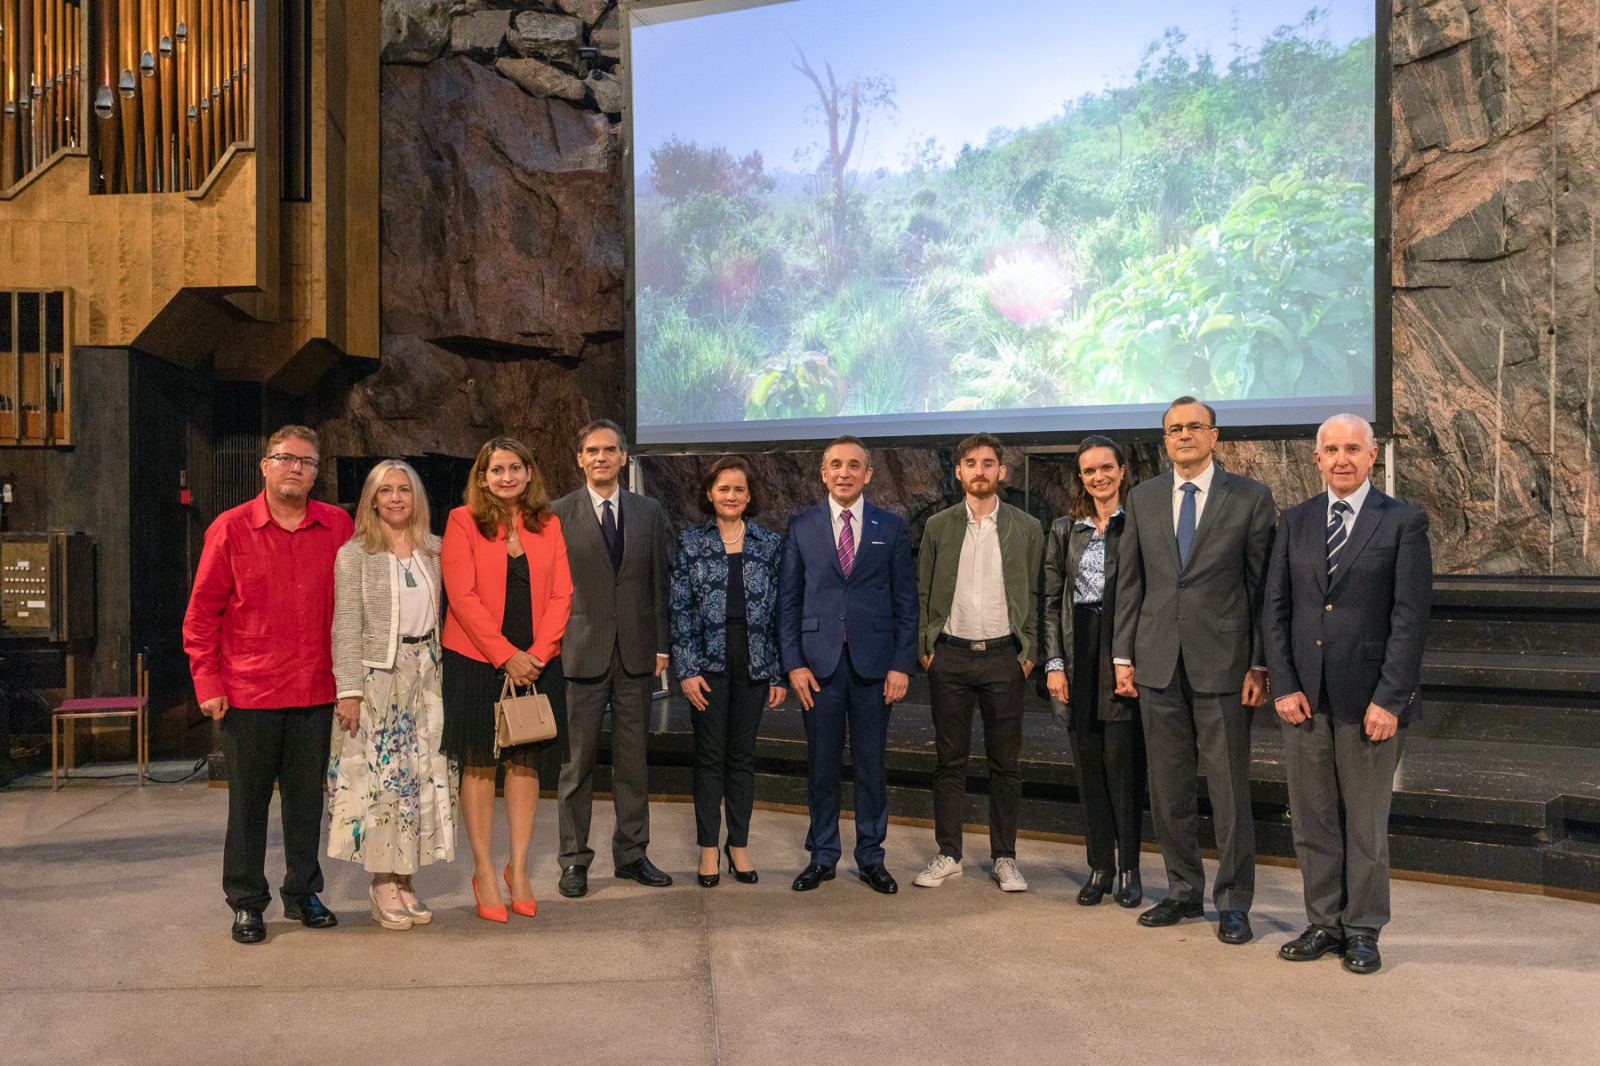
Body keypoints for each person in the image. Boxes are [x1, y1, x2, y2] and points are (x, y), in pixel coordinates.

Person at [1265, 414, 1431, 975]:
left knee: (1365, 825)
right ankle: (1322, 923)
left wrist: (1391, 698)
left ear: (1372, 455)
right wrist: (1283, 685)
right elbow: (1277, 611)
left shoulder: (1403, 522)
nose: (1341, 458)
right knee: (1312, 821)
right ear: (1317, 458)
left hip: (1371, 704)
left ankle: (1362, 929)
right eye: (1331, 449)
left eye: (1352, 449)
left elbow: (1410, 620)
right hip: (1304, 701)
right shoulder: (1294, 521)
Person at [1113, 397, 1275, 945]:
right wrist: (1122, 656)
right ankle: (1182, 891)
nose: (1184, 436)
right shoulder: (1143, 497)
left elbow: (1261, 589)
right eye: (1174, 429)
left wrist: (1259, 660)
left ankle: (1233, 902)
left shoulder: (1251, 497)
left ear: (1214, 435)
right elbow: (1130, 583)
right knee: (1168, 788)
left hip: (1224, 664)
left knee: (1229, 789)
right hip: (1157, 662)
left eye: (1194, 427)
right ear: (1165, 439)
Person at [183, 425, 353, 944]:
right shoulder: (231, 529)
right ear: (264, 465)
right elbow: (200, 616)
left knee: (306, 803)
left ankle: (303, 894)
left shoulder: (338, 525)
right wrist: (207, 681)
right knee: (249, 804)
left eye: (306, 461)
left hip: (317, 691)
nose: (295, 468)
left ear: (316, 472)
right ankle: (246, 901)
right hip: (249, 692)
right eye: (285, 458)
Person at [440, 437, 573, 922]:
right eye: (496, 469)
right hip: (476, 660)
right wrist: (505, 656)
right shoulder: (462, 521)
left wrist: (536, 654)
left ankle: (518, 869)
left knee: (525, 762)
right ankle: (482, 869)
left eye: (515, 467)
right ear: (482, 477)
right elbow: (462, 595)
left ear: (529, 472)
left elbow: (563, 594)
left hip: (537, 661)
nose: (507, 477)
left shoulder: (549, 523)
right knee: (479, 764)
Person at [779, 435, 918, 894]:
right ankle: (822, 856)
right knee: (821, 765)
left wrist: (902, 664)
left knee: (871, 766)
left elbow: (906, 603)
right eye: (835, 464)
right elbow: (788, 602)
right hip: (816, 668)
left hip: (875, 668)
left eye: (854, 465)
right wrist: (793, 664)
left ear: (868, 474)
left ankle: (871, 857)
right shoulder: (801, 526)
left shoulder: (891, 526)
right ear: (823, 473)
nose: (844, 472)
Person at [328, 460, 457, 930]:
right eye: (387, 491)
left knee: (422, 775)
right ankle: (382, 881)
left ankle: (405, 879)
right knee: (384, 783)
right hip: (379, 678)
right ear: (373, 500)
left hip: (429, 676)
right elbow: (345, 627)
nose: (397, 498)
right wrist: (349, 691)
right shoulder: (355, 554)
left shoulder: (435, 550)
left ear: (417, 498)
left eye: (405, 489)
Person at [549, 419, 675, 897]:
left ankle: (632, 854)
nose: (600, 457)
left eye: (609, 450)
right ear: (579, 459)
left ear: (624, 457)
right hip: (579, 653)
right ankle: (574, 860)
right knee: (577, 764)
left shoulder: (649, 510)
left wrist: (662, 646)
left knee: (632, 762)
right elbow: (548, 590)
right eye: (591, 450)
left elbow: (658, 584)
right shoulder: (556, 514)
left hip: (638, 654)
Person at [913, 433, 1042, 892]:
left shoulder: (1027, 527)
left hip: (1005, 658)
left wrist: (1028, 653)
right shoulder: (938, 526)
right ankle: (948, 853)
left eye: (989, 463)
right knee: (950, 761)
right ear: (959, 472)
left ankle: (1004, 857)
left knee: (1005, 764)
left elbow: (1037, 593)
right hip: (949, 655)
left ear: (1002, 472)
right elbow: (924, 590)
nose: (980, 470)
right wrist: (927, 649)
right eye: (971, 463)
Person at [670, 456, 788, 887]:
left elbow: (779, 614)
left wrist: (777, 673)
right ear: (709, 494)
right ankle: (707, 849)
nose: (731, 496)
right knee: (709, 759)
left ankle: (738, 845)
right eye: (723, 489)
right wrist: (686, 669)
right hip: (707, 667)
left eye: (739, 489)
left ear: (749, 495)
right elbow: (680, 610)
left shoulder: (769, 544)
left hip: (755, 664)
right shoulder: (690, 542)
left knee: (741, 759)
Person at [1043, 435, 1145, 908]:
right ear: (1080, 477)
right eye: (1089, 471)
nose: (1098, 477)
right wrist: (1055, 665)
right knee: (1088, 769)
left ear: (1122, 470)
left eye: (1106, 467)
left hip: (1122, 651)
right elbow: (1049, 603)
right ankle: (1100, 866)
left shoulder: (1141, 522)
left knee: (1123, 769)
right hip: (1077, 648)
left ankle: (1130, 869)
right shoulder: (1065, 529)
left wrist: (1133, 657)